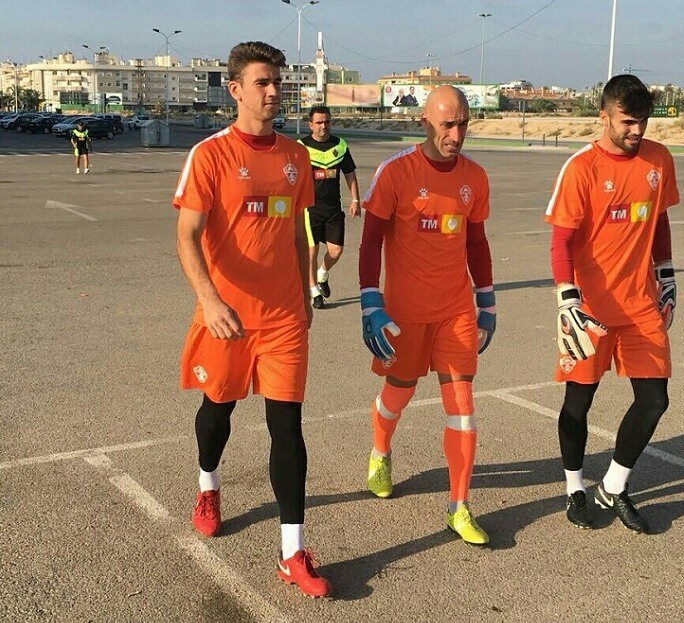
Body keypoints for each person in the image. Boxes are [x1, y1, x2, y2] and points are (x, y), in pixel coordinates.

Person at [173, 41, 331, 598]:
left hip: (285, 315)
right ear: (235, 89)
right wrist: (211, 301)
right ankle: (208, 484)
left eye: (277, 83)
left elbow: (295, 231)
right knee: (217, 413)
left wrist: (309, 288)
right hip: (229, 318)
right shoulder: (210, 154)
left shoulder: (294, 156)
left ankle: (292, 551)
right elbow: (187, 235)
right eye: (262, 83)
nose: (273, 92)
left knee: (287, 428)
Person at [359, 85, 497, 545]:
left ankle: (458, 506)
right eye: (447, 125)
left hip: (455, 312)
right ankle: (380, 450)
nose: (456, 134)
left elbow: (476, 243)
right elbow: (370, 240)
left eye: (462, 124)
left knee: (462, 408)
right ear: (425, 121)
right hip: (404, 314)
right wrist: (370, 301)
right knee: (397, 393)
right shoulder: (396, 171)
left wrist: (487, 303)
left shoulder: (474, 178)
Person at [544, 74, 679, 534]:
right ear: (604, 116)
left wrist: (666, 273)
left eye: (642, 121)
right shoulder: (582, 168)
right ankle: (574, 488)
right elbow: (560, 241)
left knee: (654, 400)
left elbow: (658, 219)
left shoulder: (659, 159)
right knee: (578, 403)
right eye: (626, 122)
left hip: (641, 304)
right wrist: (567, 300)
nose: (636, 131)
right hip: (591, 310)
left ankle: (615, 486)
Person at [299, 105, 362, 309]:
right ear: (311, 125)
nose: (323, 126)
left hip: (333, 208)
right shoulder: (301, 147)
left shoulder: (340, 145)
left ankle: (322, 273)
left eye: (326, 122)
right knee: (311, 251)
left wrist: (355, 200)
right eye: (318, 122)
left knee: (336, 251)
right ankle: (314, 291)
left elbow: (349, 173)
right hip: (309, 209)